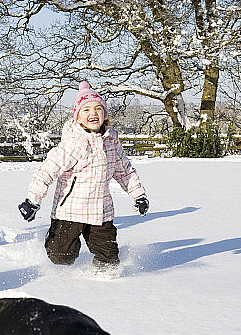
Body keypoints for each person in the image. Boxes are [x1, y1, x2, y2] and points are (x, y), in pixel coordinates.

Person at [18, 81, 149, 271]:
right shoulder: (73, 143)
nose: (93, 113)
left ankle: (101, 281)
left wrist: (139, 195)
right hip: (70, 210)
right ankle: (56, 240)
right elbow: (47, 171)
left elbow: (124, 171)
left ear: (104, 114)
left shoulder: (111, 141)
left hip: (100, 211)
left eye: (98, 108)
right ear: (78, 117)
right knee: (61, 256)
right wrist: (32, 201)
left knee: (109, 261)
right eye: (86, 109)